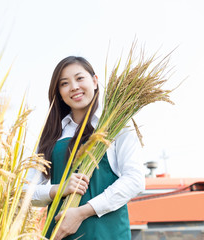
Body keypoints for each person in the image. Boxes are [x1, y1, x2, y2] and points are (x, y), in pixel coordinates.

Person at [27, 56, 145, 240]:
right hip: (60, 233)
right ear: (59, 92)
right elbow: (25, 191)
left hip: (108, 234)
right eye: (64, 83)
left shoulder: (118, 127)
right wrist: (60, 189)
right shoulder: (52, 135)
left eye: (80, 78)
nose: (74, 87)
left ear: (95, 81)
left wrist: (81, 213)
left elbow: (135, 180)